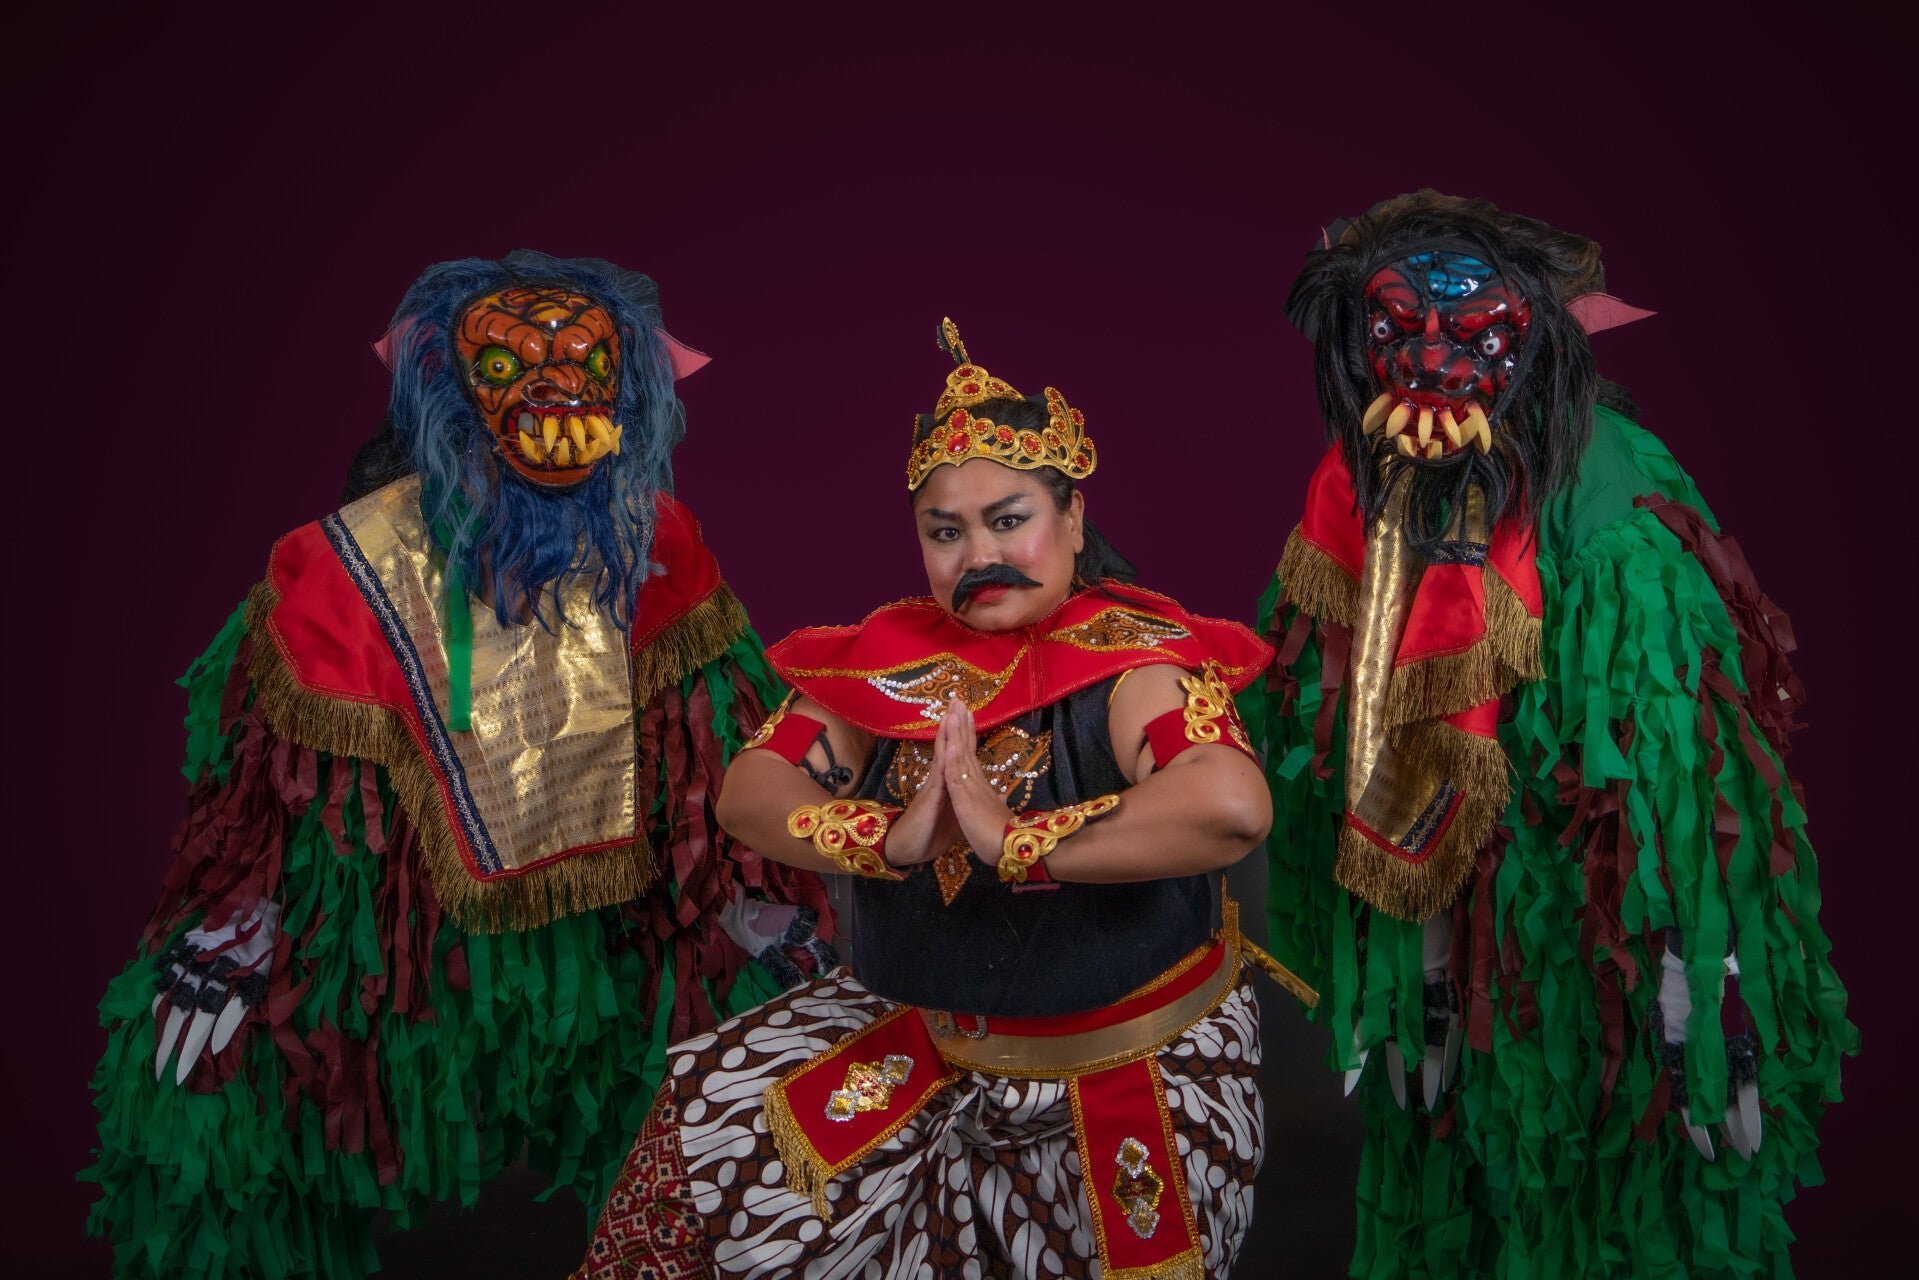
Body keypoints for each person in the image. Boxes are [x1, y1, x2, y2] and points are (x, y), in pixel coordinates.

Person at [85, 252, 834, 1280]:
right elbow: (273, 790)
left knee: (749, 1073)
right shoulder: (339, 566)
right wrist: (241, 916)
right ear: (448, 391)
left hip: (619, 950)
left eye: (587, 363)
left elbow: (708, 753)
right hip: (402, 973)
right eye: (509, 364)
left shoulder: (657, 544)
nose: (557, 392)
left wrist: (753, 900)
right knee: (200, 1086)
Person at [576, 320, 1309, 1280]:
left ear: (1072, 521)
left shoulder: (1135, 661)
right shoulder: (889, 663)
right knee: (702, 1152)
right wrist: (888, 837)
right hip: (920, 1050)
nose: (977, 556)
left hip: (1117, 1072)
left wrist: (1016, 840)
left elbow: (1230, 805)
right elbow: (750, 793)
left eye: (1008, 521)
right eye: (946, 532)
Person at [1243, 192, 1855, 1278]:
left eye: (1476, 337)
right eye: (1393, 329)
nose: (1430, 364)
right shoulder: (1355, 492)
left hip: (1587, 934)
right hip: (1447, 955)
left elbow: (1674, 774)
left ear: (1532, 342)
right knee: (1454, 1188)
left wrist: (1692, 992)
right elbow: (1349, 723)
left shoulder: (1603, 507)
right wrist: (1417, 962)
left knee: (1606, 1191)